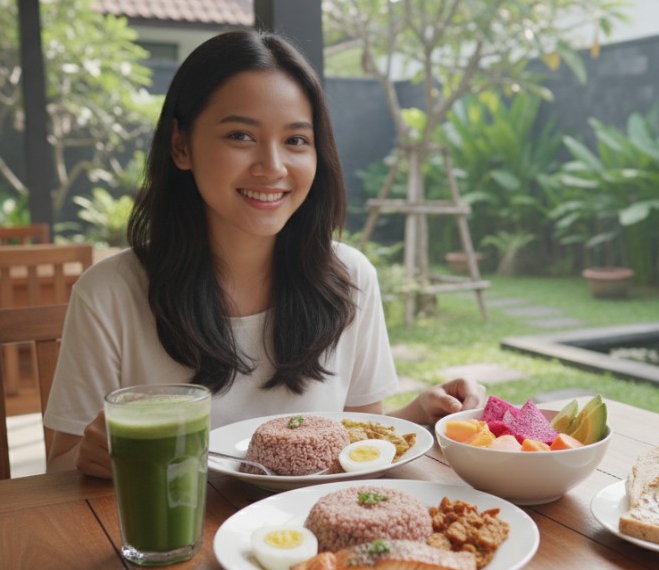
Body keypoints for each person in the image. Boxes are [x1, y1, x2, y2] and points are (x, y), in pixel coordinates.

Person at [42, 30, 485, 478]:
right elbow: (60, 468)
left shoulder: (349, 278)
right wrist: (92, 458)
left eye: (296, 140)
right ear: (181, 146)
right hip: (182, 521)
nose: (272, 167)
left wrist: (420, 413)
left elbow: (355, 447)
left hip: (309, 523)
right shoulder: (109, 294)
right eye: (240, 135)